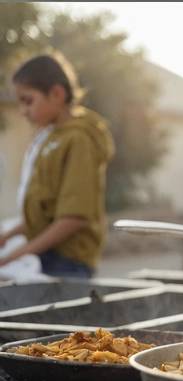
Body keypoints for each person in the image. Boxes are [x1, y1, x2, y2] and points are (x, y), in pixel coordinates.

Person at [0, 53, 114, 278]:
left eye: (28, 100)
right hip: (47, 255)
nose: (23, 111)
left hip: (68, 264)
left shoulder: (79, 139)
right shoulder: (50, 138)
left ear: (57, 94)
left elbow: (73, 218)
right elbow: (45, 213)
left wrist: (15, 256)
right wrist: (9, 235)